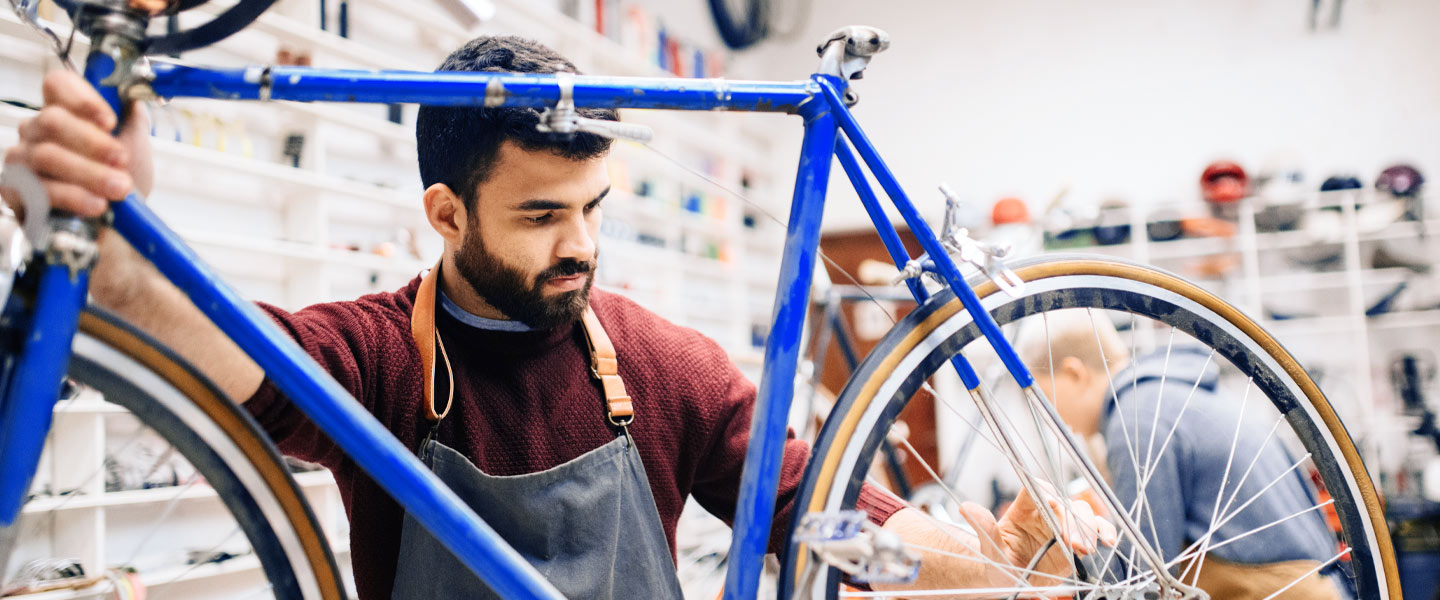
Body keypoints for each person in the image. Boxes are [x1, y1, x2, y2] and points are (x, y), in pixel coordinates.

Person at [3, 24, 1113, 598]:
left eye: (592, 206)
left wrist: (1003, 566)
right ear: (447, 211)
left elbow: (821, 507)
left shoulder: (658, 364)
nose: (579, 243)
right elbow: (235, 356)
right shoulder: (386, 356)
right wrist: (115, 242)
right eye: (540, 214)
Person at [1017, 309, 1348, 599]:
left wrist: (1057, 555)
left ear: (1075, 373)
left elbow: (1141, 575)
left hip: (1277, 591)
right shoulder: (1166, 394)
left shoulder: (1136, 418)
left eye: (1046, 399)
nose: (1054, 419)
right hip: (1314, 583)